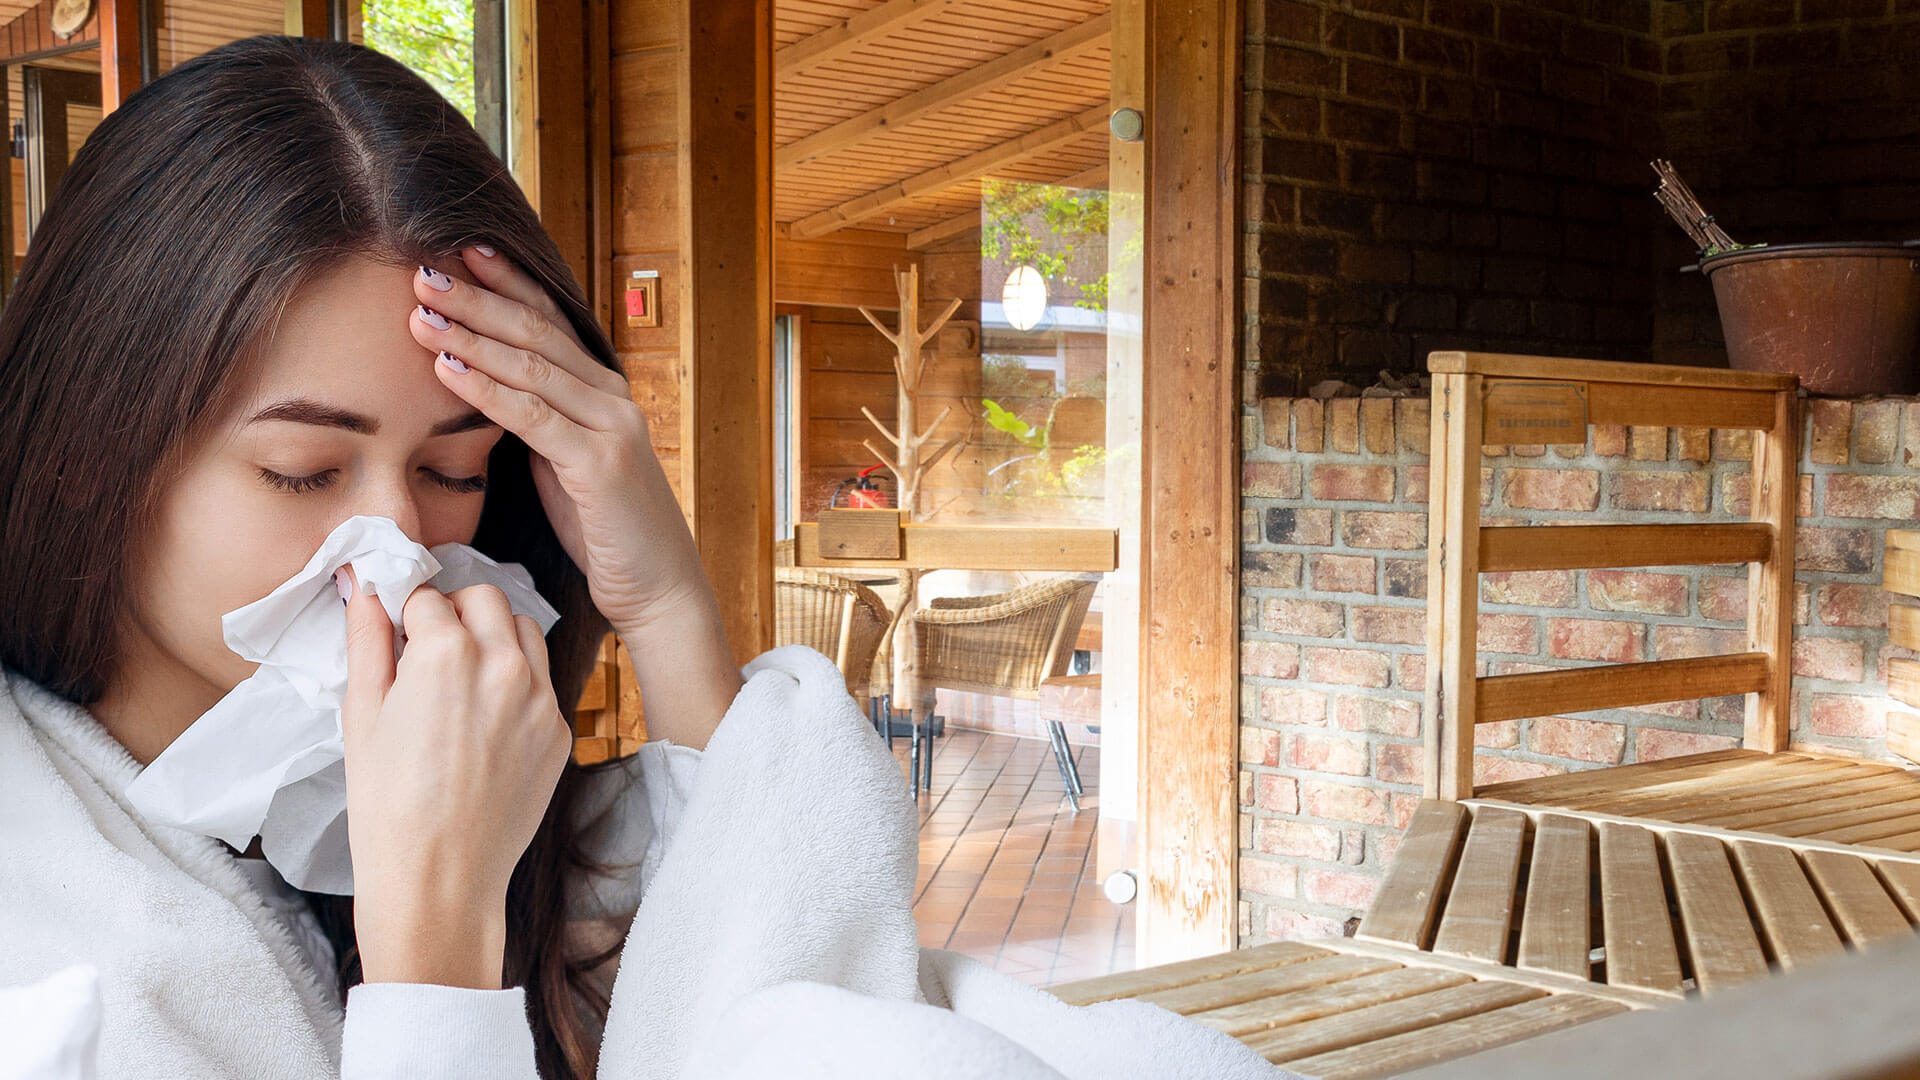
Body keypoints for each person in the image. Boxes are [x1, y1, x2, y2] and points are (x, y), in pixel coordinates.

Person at [0, 33, 745, 1080]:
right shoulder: (41, 944)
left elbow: (774, 996)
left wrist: (666, 606)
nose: (397, 546)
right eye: (303, 472)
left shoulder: (487, 810)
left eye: (453, 471)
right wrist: (434, 952)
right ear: (90, 451)